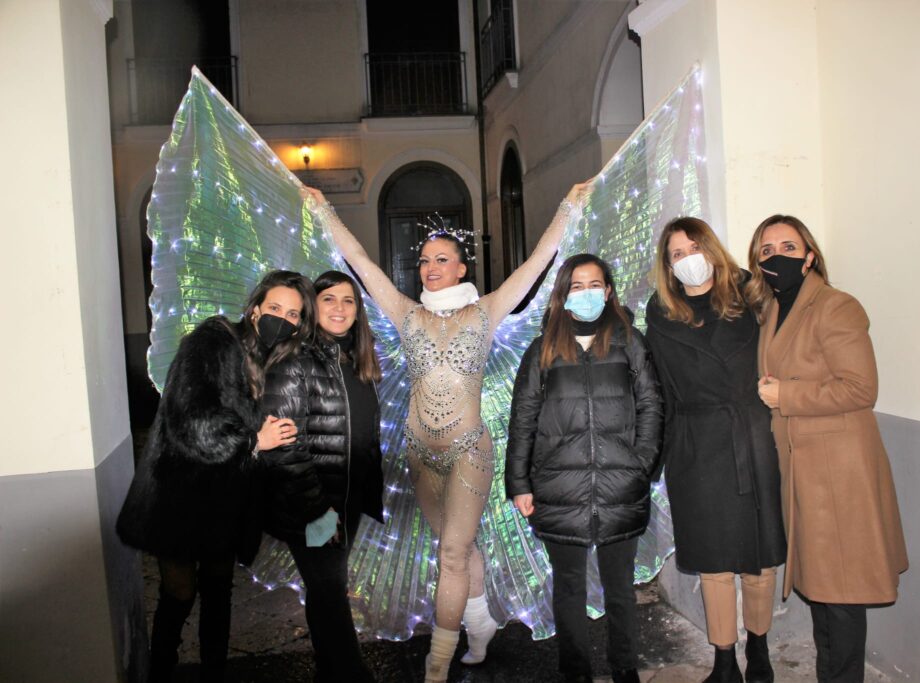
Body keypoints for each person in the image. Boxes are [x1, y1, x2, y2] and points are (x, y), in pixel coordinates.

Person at [304, 184, 587, 681]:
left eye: (441, 260)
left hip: (468, 453)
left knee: (452, 553)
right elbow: (360, 262)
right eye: (424, 261)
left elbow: (540, 259)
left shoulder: (487, 312)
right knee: (463, 546)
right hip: (419, 455)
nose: (430, 268)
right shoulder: (404, 312)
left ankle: (437, 666)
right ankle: (480, 625)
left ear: (461, 269)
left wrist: (568, 205)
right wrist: (323, 209)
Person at [117, 270, 315, 683]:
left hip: (226, 498)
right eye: (275, 308)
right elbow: (193, 422)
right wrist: (252, 441)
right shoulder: (212, 343)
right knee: (180, 591)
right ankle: (161, 669)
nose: (283, 318)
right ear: (255, 308)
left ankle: (214, 672)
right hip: (180, 494)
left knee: (219, 589)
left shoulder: (275, 359)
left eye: (293, 314)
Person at [748, 215, 908, 683]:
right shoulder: (774, 311)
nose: (776, 255)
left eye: (788, 247)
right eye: (765, 249)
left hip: (839, 472)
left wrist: (788, 397)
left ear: (810, 255)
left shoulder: (836, 306)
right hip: (802, 468)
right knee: (822, 592)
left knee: (840, 595)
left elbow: (861, 388)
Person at [505, 253, 663, 683]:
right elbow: (522, 419)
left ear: (608, 292)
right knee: (569, 587)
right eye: (577, 286)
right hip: (559, 487)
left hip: (619, 486)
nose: (587, 293)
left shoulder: (631, 342)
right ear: (563, 295)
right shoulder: (543, 349)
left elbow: (652, 404)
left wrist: (641, 465)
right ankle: (575, 671)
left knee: (620, 589)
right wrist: (519, 482)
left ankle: (624, 667)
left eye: (595, 285)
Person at [644, 218, 786, 683]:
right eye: (676, 255)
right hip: (696, 445)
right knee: (714, 562)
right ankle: (724, 659)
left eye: (693, 248)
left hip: (753, 434)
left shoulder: (754, 296)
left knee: (758, 557)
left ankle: (759, 648)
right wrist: (657, 457)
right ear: (668, 266)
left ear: (712, 248)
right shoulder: (661, 314)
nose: (687, 260)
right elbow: (660, 390)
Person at [259, 270, 385, 683]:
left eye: (348, 301)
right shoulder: (295, 360)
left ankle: (328, 672)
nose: (340, 308)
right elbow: (285, 446)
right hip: (313, 505)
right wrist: (318, 513)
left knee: (324, 590)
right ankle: (351, 675)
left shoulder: (356, 359)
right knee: (332, 594)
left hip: (345, 499)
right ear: (313, 308)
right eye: (329, 299)